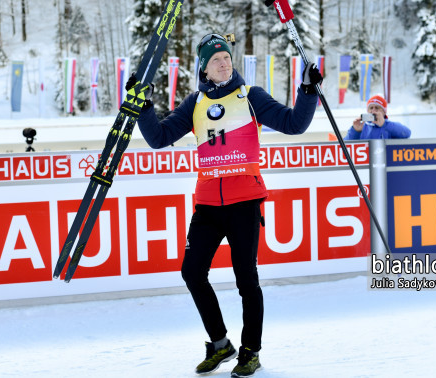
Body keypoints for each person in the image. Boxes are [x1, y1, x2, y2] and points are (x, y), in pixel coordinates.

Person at [130, 33, 322, 377]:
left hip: (244, 202)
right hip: (207, 205)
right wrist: (143, 106)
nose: (224, 62)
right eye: (216, 59)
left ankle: (251, 351)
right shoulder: (194, 103)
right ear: (204, 68)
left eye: (227, 57)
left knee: (246, 280)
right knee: (192, 273)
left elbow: (295, 124)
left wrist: (307, 90)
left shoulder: (251, 97)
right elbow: (159, 138)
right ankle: (220, 344)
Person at [344, 95, 411, 140]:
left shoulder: (389, 126)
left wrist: (384, 124)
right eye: (371, 108)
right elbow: (344, 146)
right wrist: (355, 131)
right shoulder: (362, 126)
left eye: (377, 108)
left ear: (384, 112)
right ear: (367, 111)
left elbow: (407, 133)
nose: (373, 111)